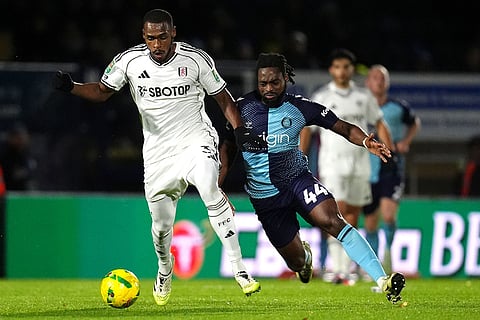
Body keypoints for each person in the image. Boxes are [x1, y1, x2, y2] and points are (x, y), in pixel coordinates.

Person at [53, 9, 261, 306]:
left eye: (162, 36)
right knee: (162, 226)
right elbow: (102, 91)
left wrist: (240, 130)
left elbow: (223, 98)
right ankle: (164, 270)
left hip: (195, 140)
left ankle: (240, 270)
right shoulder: (129, 61)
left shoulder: (195, 59)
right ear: (143, 36)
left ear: (173, 32)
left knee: (209, 186)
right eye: (151, 38)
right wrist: (71, 87)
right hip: (157, 153)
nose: (157, 44)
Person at [227, 52, 405, 303]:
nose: (268, 88)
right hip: (265, 196)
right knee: (296, 261)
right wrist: (217, 186)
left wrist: (366, 141)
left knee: (333, 220)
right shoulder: (241, 109)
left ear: (286, 78)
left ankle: (382, 280)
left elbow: (342, 126)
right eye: (262, 83)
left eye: (274, 82)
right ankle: (306, 260)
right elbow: (226, 146)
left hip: (298, 180)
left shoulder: (300, 107)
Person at [309, 48, 394, 284]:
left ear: (352, 70)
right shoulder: (322, 96)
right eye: (337, 67)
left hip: (360, 164)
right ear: (331, 70)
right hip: (332, 164)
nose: (342, 71)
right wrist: (301, 156)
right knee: (336, 211)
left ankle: (346, 269)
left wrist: (390, 150)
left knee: (352, 216)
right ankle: (336, 268)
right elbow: (308, 129)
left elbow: (378, 121)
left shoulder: (363, 96)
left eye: (346, 67)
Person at [363, 65, 421, 277]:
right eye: (375, 78)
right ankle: (373, 265)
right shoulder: (359, 107)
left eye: (382, 78)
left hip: (391, 166)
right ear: (367, 83)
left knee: (387, 215)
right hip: (366, 170)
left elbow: (415, 123)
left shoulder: (398, 107)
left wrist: (406, 141)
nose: (379, 81)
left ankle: (388, 255)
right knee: (370, 223)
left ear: (387, 83)